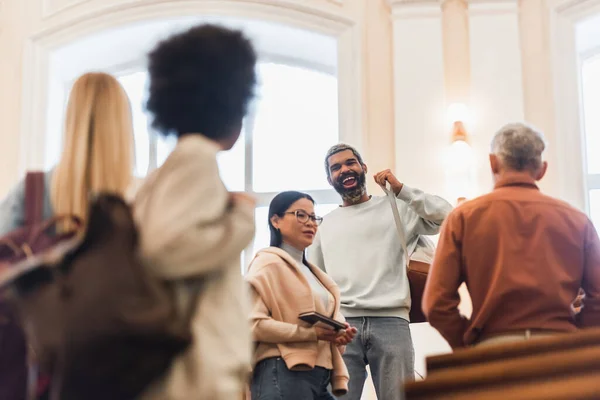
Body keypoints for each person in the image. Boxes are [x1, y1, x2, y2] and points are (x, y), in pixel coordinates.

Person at [133, 25, 257, 399]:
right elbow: (165, 248)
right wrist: (242, 219)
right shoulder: (196, 158)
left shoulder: (166, 172)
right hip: (196, 373)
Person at [0, 72, 134, 400]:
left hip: (41, 362)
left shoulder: (31, 193)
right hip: (120, 362)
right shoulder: (141, 200)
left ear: (70, 121)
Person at [423, 123, 600, 349]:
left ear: (493, 163)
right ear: (542, 169)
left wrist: (469, 343)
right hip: (560, 352)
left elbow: (436, 304)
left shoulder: (463, 218)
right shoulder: (577, 220)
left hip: (494, 351)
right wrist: (575, 335)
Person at [308, 144, 452, 400]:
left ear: (363, 168)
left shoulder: (396, 207)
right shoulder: (324, 225)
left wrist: (401, 190)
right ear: (330, 180)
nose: (344, 169)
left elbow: (447, 215)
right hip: (343, 327)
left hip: (392, 322)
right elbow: (317, 283)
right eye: (336, 167)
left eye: (350, 163)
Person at [246, 191, 357, 400]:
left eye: (314, 217)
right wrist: (311, 333)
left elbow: (328, 321)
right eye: (300, 215)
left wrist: (339, 333)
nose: (310, 223)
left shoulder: (316, 275)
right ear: (275, 220)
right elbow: (253, 324)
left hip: (320, 375)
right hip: (282, 368)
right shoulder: (267, 263)